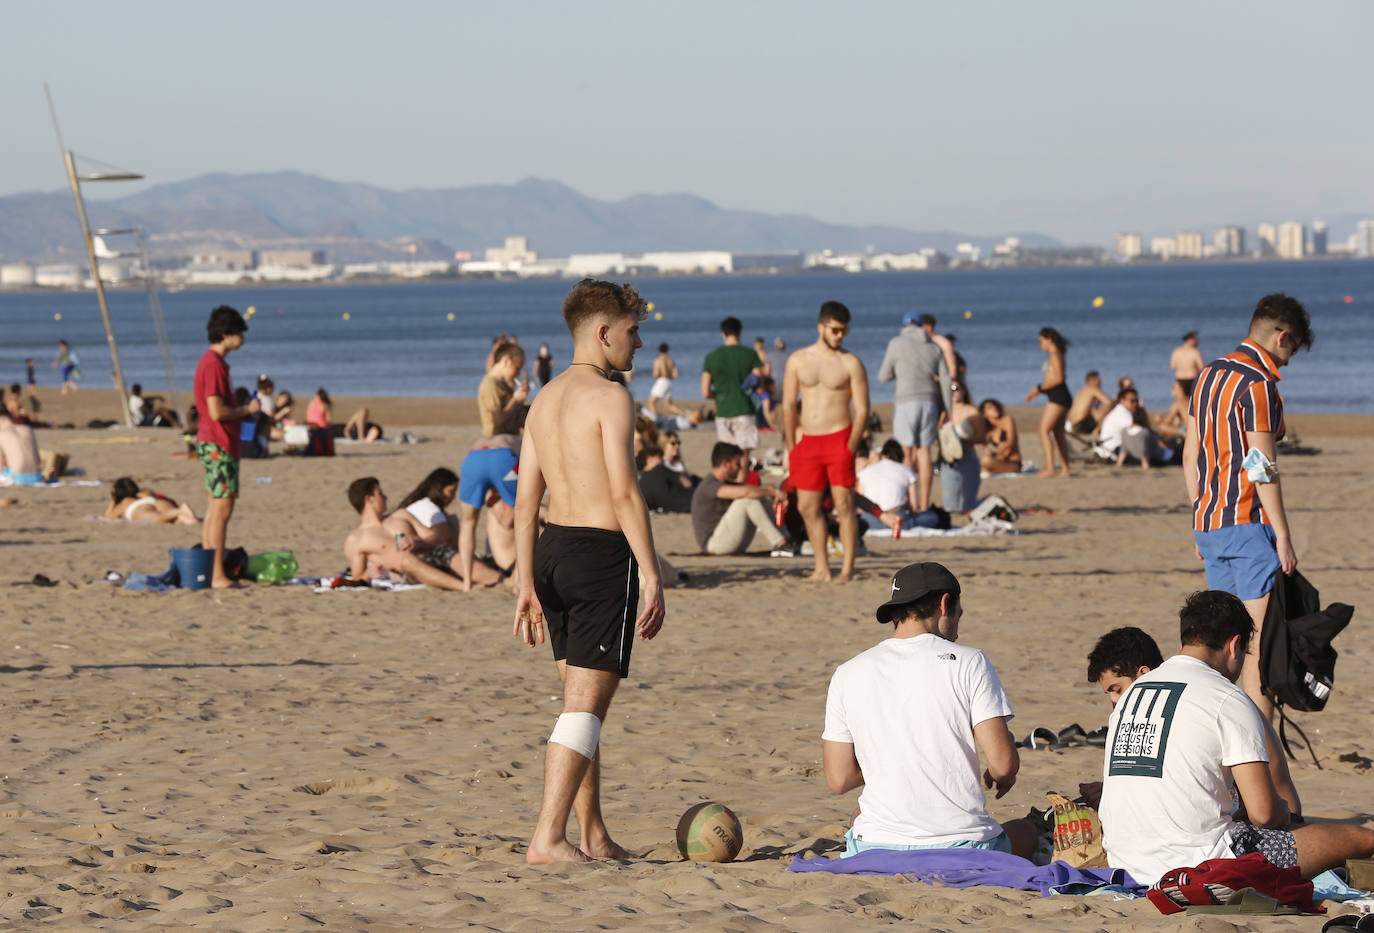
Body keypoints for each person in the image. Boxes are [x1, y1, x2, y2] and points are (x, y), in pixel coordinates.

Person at [512, 278, 665, 864]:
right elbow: (626, 495)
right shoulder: (611, 397)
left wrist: (525, 581)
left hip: (552, 553)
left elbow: (526, 503)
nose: (640, 343)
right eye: (633, 331)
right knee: (583, 709)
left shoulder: (544, 398)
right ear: (603, 333)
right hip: (600, 555)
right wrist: (652, 573)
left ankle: (593, 833)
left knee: (580, 701)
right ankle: (548, 838)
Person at [1099, 591, 1374, 885]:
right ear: (1234, 645)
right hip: (1198, 863)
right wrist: (1283, 812)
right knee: (1360, 838)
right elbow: (1265, 815)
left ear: (1184, 641)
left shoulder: (1133, 694)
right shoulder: (1226, 697)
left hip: (1124, 859)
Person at [823, 562, 1034, 859]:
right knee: (1028, 832)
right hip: (963, 844)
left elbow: (839, 779)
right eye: (960, 616)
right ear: (946, 604)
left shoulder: (847, 672)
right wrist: (1005, 768)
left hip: (875, 845)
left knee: (860, 817)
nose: (958, 631)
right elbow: (1003, 765)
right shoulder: (970, 661)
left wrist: (892, 759)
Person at [1184, 294, 1312, 721]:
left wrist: (1200, 515)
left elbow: (1190, 455)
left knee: (1217, 649)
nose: (1288, 363)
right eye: (1291, 350)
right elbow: (1260, 466)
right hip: (1247, 526)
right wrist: (1284, 536)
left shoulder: (1209, 375)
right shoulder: (1258, 383)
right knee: (1257, 651)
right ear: (1282, 336)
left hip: (1210, 523)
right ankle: (1259, 757)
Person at [1080, 625, 1301, 818]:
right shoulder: (1132, 716)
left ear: (1144, 674)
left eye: (1117, 690)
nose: (1114, 702)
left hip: (1254, 824)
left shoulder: (1210, 705)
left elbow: (1270, 809)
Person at [783, 301, 869, 582]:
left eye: (844, 330)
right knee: (807, 506)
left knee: (844, 505)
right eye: (835, 330)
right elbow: (787, 406)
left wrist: (851, 445)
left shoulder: (850, 362)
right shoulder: (797, 360)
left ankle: (847, 568)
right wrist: (791, 444)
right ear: (821, 327)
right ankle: (822, 567)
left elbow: (864, 409)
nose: (840, 335)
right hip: (807, 441)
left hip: (839, 439)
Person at [192, 307, 259, 587]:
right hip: (218, 443)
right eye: (238, 331)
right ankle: (217, 573)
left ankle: (211, 569)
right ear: (225, 334)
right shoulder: (214, 365)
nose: (243, 336)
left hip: (216, 442)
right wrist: (246, 409)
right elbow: (216, 410)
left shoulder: (215, 364)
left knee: (214, 507)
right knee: (222, 508)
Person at [345, 477, 501, 590]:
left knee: (455, 557)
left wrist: (418, 543)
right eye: (380, 493)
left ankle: (503, 581)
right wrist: (368, 574)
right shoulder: (357, 539)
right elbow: (357, 576)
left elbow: (435, 537)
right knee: (407, 560)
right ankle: (465, 587)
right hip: (409, 571)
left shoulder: (401, 515)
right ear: (369, 499)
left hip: (435, 555)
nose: (385, 497)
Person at [878, 311, 952, 512]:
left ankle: (909, 502)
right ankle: (924, 504)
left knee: (907, 452)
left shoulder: (896, 343)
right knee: (924, 452)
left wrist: (899, 371)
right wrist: (947, 409)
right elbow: (946, 380)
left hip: (905, 402)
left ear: (903, 327)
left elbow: (883, 376)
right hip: (929, 402)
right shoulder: (933, 347)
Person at [690, 442, 789, 555]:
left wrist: (774, 494)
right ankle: (781, 543)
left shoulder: (725, 483)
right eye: (737, 464)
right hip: (713, 545)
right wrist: (773, 491)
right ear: (725, 464)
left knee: (759, 497)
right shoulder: (709, 485)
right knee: (747, 500)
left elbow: (756, 490)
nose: (740, 468)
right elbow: (746, 492)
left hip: (729, 539)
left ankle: (787, 539)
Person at [457, 433, 522, 590]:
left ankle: (467, 581)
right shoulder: (520, 439)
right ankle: (519, 580)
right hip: (503, 458)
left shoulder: (488, 438)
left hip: (473, 458)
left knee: (468, 522)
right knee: (523, 518)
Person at [701, 316, 762, 461]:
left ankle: (730, 483)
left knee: (728, 457)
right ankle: (741, 482)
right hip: (744, 409)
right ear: (740, 332)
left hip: (723, 411)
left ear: (723, 333)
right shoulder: (750, 354)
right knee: (743, 456)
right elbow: (758, 379)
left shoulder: (711, 357)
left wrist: (718, 394)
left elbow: (705, 391)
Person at [1024, 327, 1072, 477]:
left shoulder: (1055, 355)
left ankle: (1051, 468)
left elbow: (1059, 378)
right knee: (1058, 433)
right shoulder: (1055, 355)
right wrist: (1040, 390)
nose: (1040, 344)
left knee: (1043, 431)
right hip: (1057, 396)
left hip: (1059, 396)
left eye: (1041, 341)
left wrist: (1038, 389)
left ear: (1049, 339)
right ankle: (1065, 469)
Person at [1099, 387, 1174, 469]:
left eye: (1136, 401)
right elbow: (1138, 433)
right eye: (1132, 401)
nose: (1135, 404)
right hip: (1113, 451)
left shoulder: (1119, 412)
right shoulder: (1124, 415)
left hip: (1111, 449)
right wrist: (1161, 443)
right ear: (1121, 400)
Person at [940, 381, 986, 511]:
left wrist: (963, 440)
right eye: (950, 389)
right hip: (948, 461)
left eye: (956, 388)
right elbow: (936, 439)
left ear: (963, 391)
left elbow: (982, 438)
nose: (953, 392)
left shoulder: (972, 411)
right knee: (950, 506)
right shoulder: (944, 412)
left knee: (967, 505)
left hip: (967, 458)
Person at [855, 438, 917, 531]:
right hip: (897, 518)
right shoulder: (907, 471)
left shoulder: (865, 472)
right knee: (929, 516)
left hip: (870, 520)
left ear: (882, 455)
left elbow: (861, 501)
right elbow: (914, 505)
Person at [392, 467, 460, 549]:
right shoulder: (430, 508)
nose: (454, 496)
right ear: (439, 489)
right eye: (451, 491)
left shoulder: (420, 504)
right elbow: (447, 539)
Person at [479, 343, 529, 437]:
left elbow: (511, 413)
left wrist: (520, 398)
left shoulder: (501, 384)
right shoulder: (490, 384)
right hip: (497, 438)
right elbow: (498, 419)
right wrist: (515, 400)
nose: (517, 373)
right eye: (517, 368)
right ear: (507, 361)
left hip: (508, 435)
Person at [104, 476, 199, 524]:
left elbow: (108, 515)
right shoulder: (144, 492)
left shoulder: (124, 502)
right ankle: (181, 517)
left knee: (157, 517)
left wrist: (114, 500)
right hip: (157, 501)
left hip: (138, 508)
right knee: (169, 516)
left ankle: (180, 511)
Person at [306, 387, 382, 441]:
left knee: (362, 412)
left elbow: (362, 412)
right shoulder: (324, 405)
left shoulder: (312, 403)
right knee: (362, 413)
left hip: (316, 427)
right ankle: (358, 433)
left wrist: (349, 427)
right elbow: (329, 420)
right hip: (325, 429)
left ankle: (358, 433)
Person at [639, 446, 697, 513]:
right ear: (649, 458)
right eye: (660, 457)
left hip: (676, 508)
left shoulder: (640, 483)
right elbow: (688, 483)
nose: (663, 460)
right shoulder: (660, 469)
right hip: (691, 501)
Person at [0, 408, 44, 485]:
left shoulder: (2, 434)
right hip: (37, 477)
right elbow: (38, 457)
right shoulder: (28, 429)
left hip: (17, 478)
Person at [978, 399, 1021, 475]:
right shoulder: (990, 430)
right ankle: (990, 470)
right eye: (990, 408)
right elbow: (981, 443)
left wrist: (996, 453)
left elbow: (1011, 442)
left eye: (995, 406)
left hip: (1013, 463)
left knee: (986, 461)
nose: (994, 408)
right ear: (984, 414)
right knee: (980, 461)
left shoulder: (1007, 419)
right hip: (1000, 461)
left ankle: (989, 470)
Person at [1067, 371, 1113, 436]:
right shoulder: (1092, 388)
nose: (1100, 382)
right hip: (1081, 425)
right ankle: (1097, 431)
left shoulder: (1082, 390)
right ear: (1093, 380)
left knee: (1096, 410)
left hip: (1074, 425)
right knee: (1109, 406)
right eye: (1099, 380)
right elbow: (1109, 402)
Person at [917, 314, 959, 383]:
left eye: (920, 326)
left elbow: (952, 368)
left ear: (929, 327)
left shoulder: (943, 343)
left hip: (939, 381)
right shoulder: (918, 341)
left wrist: (947, 381)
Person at [646, 343, 682, 418]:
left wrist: (658, 378)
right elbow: (676, 375)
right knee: (669, 405)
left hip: (662, 381)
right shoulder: (671, 361)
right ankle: (683, 414)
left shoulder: (658, 360)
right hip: (669, 382)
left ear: (659, 350)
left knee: (651, 403)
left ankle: (656, 420)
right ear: (667, 350)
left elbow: (655, 374)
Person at [1170, 331, 1205, 396]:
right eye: (1196, 339)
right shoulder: (1195, 352)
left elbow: (1173, 366)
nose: (1197, 341)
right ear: (1190, 340)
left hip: (1179, 379)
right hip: (1192, 379)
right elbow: (1202, 367)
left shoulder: (1176, 351)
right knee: (1192, 400)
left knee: (1182, 401)